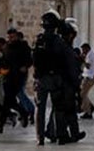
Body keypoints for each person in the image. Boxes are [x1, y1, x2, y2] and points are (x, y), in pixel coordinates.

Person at [33, 10, 77, 145]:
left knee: (40, 109)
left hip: (41, 78)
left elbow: (34, 59)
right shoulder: (59, 42)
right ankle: (61, 135)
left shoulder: (39, 40)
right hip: (56, 78)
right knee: (59, 108)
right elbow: (67, 61)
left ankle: (40, 137)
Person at [0, 28, 32, 130]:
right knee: (9, 100)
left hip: (18, 77)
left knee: (8, 99)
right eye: (9, 37)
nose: (11, 39)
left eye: (12, 37)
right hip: (8, 76)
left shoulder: (23, 46)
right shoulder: (7, 47)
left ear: (16, 36)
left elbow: (29, 60)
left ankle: (0, 123)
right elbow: (3, 59)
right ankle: (23, 112)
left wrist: (25, 66)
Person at [79, 43, 94, 119]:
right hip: (87, 76)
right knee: (83, 94)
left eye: (83, 49)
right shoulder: (88, 54)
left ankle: (88, 112)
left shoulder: (90, 55)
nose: (83, 51)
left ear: (87, 48)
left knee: (83, 94)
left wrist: (82, 60)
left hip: (90, 77)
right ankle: (90, 107)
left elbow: (88, 66)